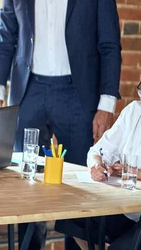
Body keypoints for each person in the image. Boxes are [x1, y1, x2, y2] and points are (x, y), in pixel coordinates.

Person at [0, 0, 122, 250]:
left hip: (76, 96)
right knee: (24, 180)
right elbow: (6, 38)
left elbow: (109, 45)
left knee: (77, 185)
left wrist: (106, 105)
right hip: (28, 93)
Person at [55, 84, 141, 250]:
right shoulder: (133, 111)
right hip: (123, 208)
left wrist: (130, 171)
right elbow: (98, 150)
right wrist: (96, 164)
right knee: (72, 214)